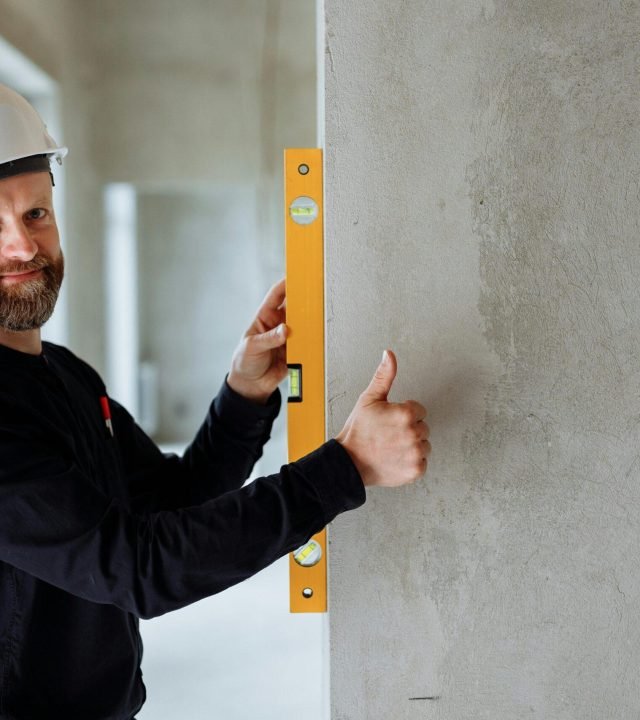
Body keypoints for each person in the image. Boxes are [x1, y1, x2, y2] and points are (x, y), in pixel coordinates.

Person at [0, 83, 430, 718]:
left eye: (35, 213)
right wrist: (346, 468)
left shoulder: (67, 375)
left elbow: (170, 500)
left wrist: (244, 394)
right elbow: (135, 567)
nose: (25, 246)